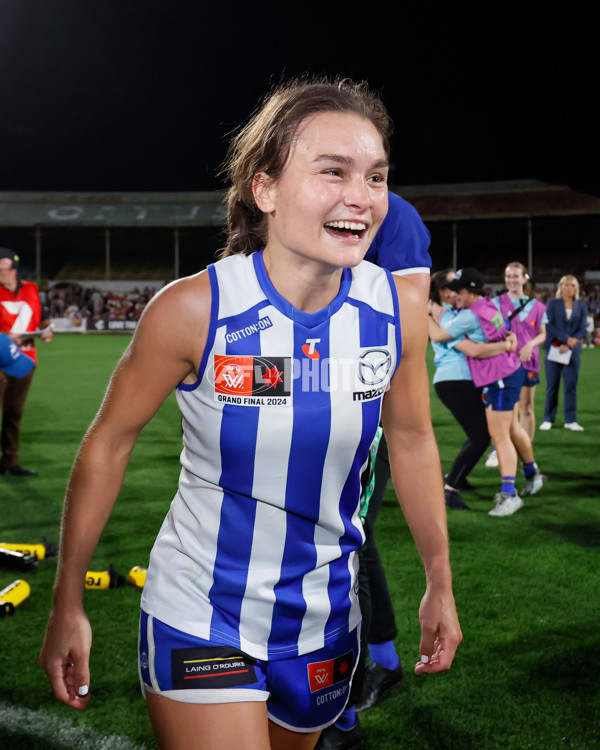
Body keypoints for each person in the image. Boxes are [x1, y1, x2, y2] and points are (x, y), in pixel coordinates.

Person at [40, 77, 462, 750]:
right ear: (265, 189)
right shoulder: (193, 310)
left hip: (325, 622)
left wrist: (439, 582)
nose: (361, 196)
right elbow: (108, 444)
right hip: (201, 612)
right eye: (333, 172)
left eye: (376, 176)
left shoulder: (396, 311)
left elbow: (409, 438)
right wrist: (68, 603)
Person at [317, 195, 433, 750]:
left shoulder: (394, 215)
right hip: (315, 396)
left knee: (348, 538)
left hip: (367, 403)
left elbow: (410, 316)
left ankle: (360, 677)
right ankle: (371, 663)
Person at [428, 267, 545, 518]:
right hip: (505, 372)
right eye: (452, 290)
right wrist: (507, 343)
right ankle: (532, 475)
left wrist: (424, 312)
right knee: (509, 429)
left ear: (470, 292)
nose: (455, 294)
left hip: (499, 377)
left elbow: (457, 344)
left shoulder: (467, 316)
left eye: (459, 290)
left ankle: (508, 495)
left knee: (499, 435)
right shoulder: (488, 306)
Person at [0, 248, 53, 476]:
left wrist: (46, 329)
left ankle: (10, 463)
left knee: (14, 413)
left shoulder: (31, 289)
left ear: (12, 266)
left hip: (26, 360)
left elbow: (41, 318)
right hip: (1, 359)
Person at [492, 262, 547, 442]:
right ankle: (498, 449)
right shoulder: (496, 303)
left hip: (528, 361)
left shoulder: (538, 306)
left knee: (526, 408)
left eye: (515, 276)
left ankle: (526, 454)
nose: (511, 280)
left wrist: (531, 344)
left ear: (524, 279)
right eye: (508, 276)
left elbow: (542, 334)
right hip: (503, 362)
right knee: (504, 408)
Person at [539, 274, 588, 432]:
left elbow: (582, 327)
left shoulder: (581, 306)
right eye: (566, 285)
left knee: (570, 386)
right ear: (560, 287)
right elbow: (549, 325)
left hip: (572, 352)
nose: (569, 288)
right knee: (552, 386)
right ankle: (548, 418)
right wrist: (566, 339)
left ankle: (570, 420)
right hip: (554, 349)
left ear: (576, 288)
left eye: (572, 285)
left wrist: (573, 342)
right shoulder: (552, 303)